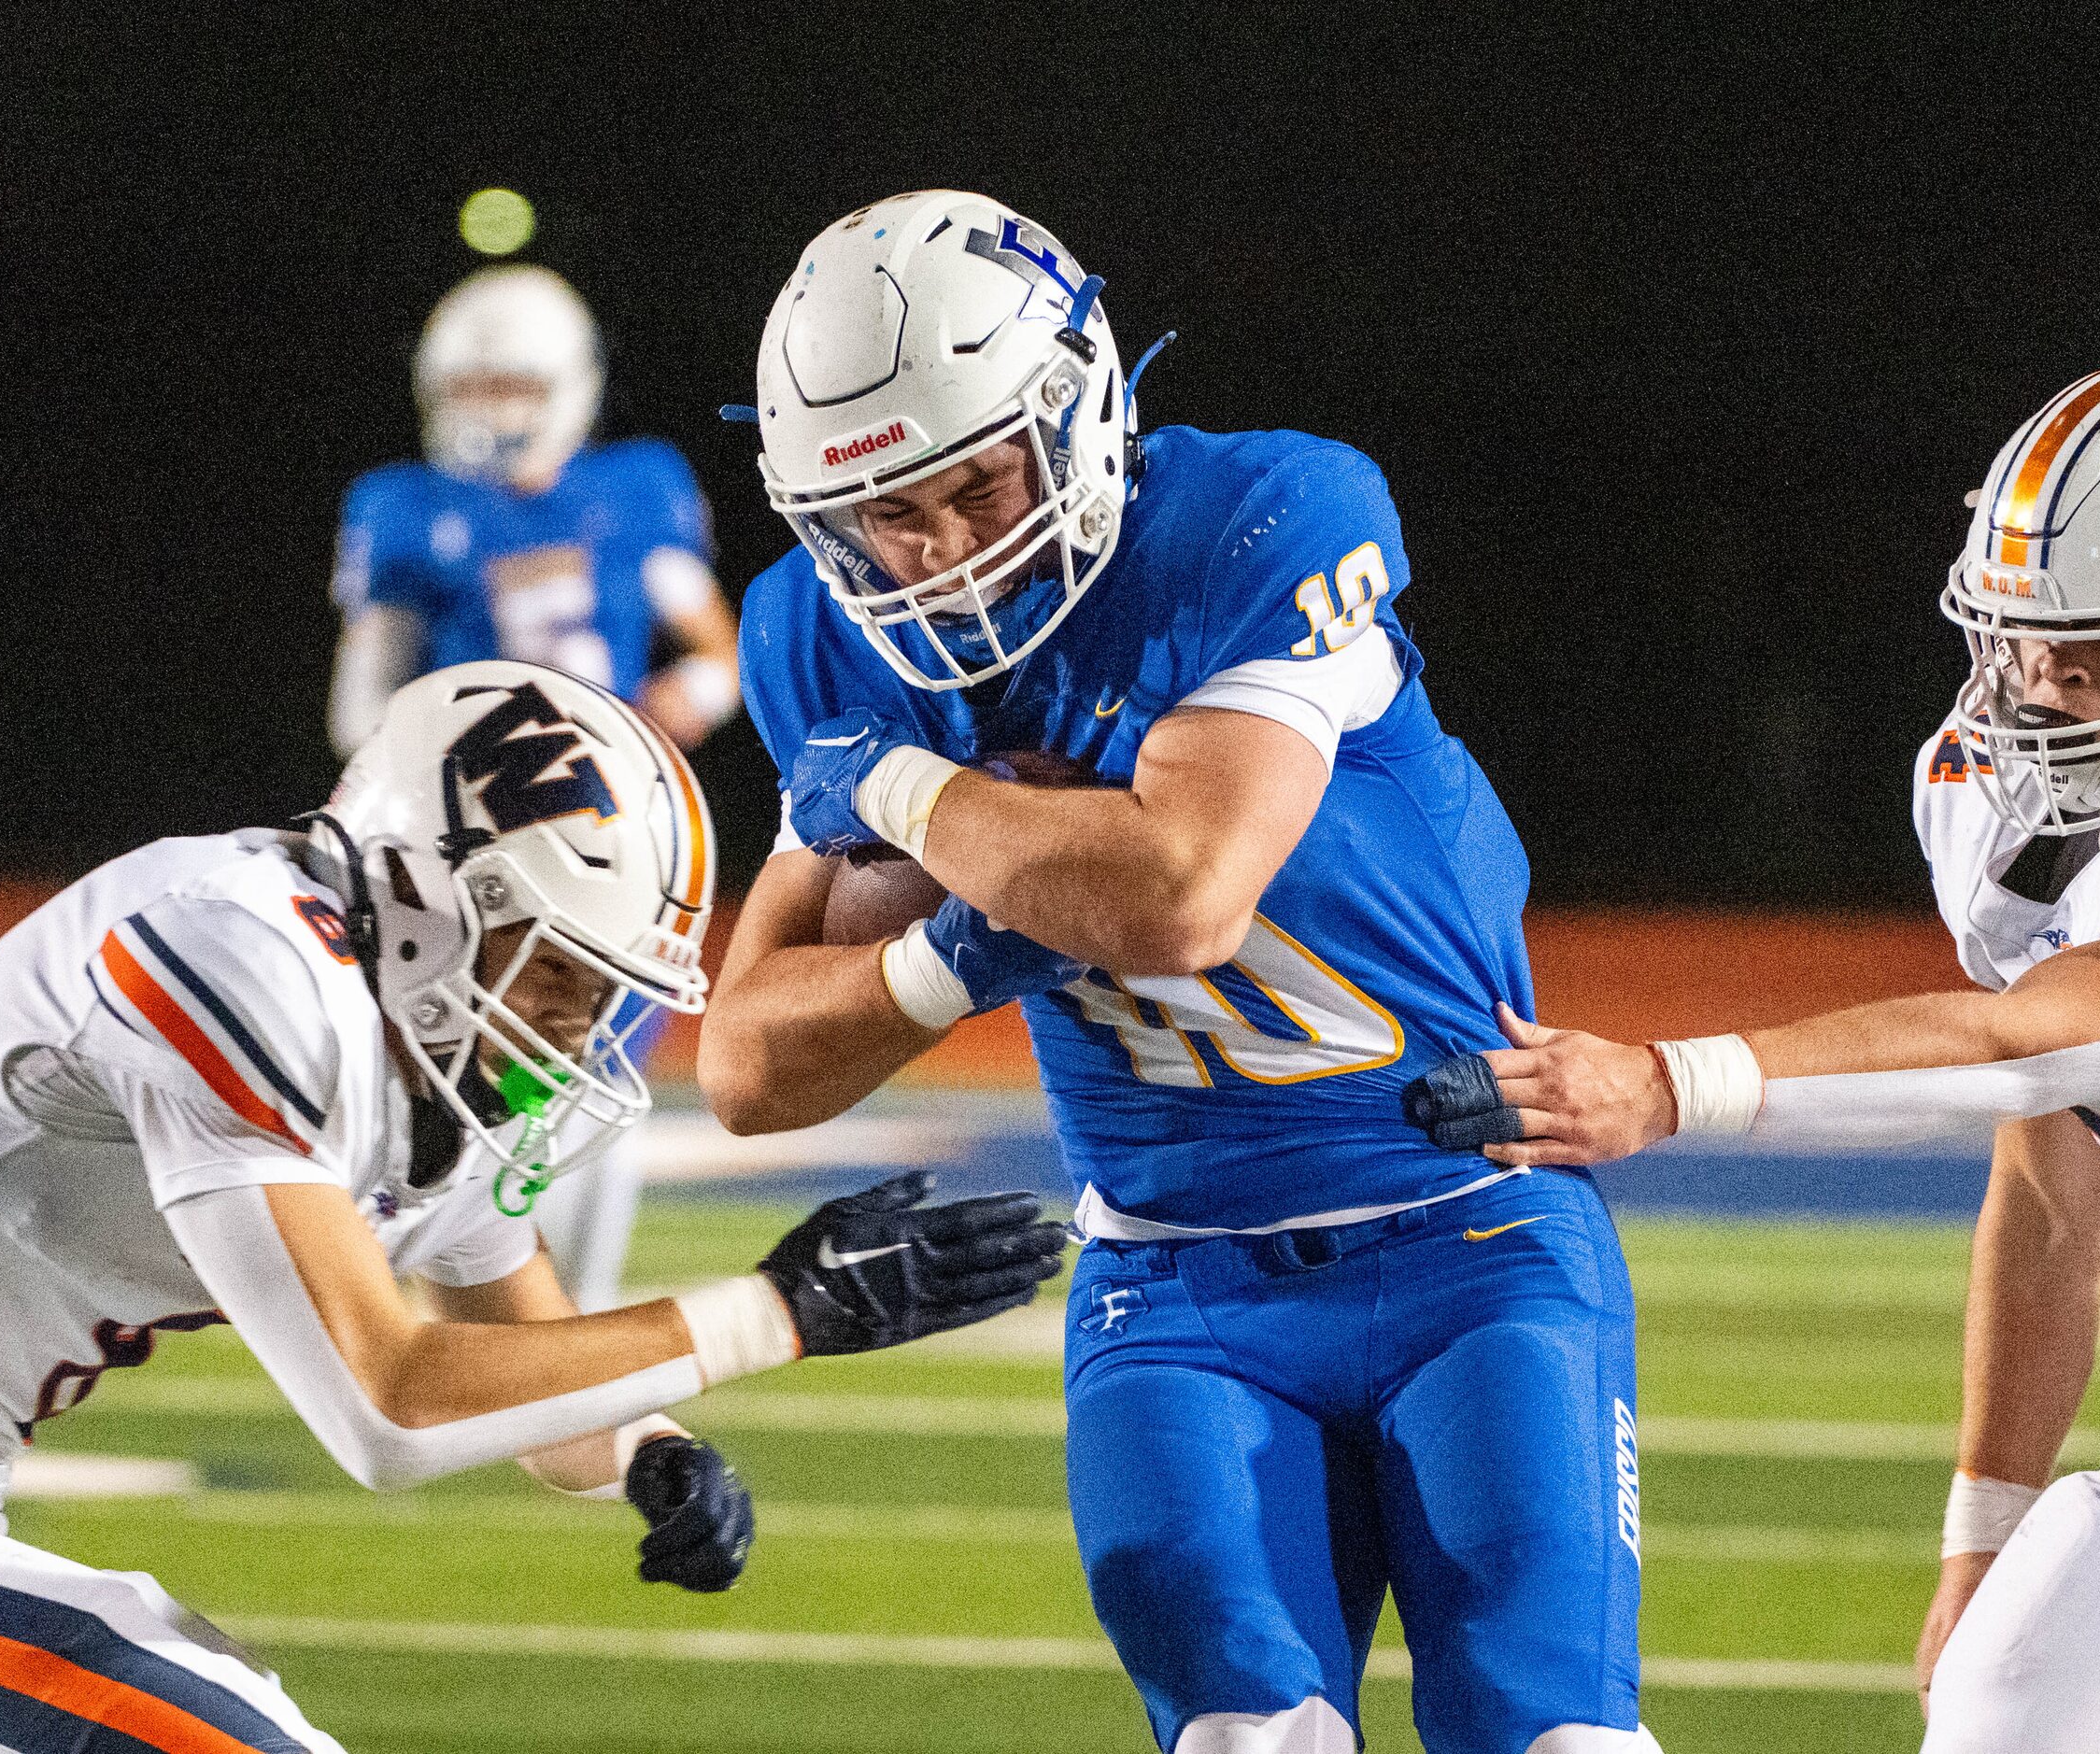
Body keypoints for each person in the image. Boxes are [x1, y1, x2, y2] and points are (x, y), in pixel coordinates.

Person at [702, 190, 1655, 1754]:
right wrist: (958, 945)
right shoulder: (821, 635)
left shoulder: (1268, 515)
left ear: (1075, 408)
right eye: (886, 514)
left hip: (1466, 1232)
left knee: (1546, 1734)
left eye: (972, 478)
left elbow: (1180, 898)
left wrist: (900, 794)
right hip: (1171, 1281)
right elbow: (745, 1064)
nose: (933, 550)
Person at [1408, 362, 2100, 1752]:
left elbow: (2021, 1045)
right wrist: (1985, 1526)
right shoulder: (1994, 794)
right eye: (2018, 635)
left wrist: (1671, 1081)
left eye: (2097, 643)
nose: (2038, 681)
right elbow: (2050, 1178)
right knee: (1997, 1718)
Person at [0, 659, 1065, 1752]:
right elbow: (387, 1403)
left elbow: (516, 1383)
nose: (578, 1027)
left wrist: (644, 1448)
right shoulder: (226, 947)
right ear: (424, 894)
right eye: (563, 971)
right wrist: (778, 1312)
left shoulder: (425, 1056)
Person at [329, 263, 741, 1310]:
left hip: (612, 835)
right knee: (442, 1063)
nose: (491, 415)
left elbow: (716, 653)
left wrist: (665, 707)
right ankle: (411, 1282)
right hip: (471, 838)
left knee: (587, 1070)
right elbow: (360, 701)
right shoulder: (405, 509)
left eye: (512, 387)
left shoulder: (629, 489)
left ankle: (563, 1312)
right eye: (472, 391)